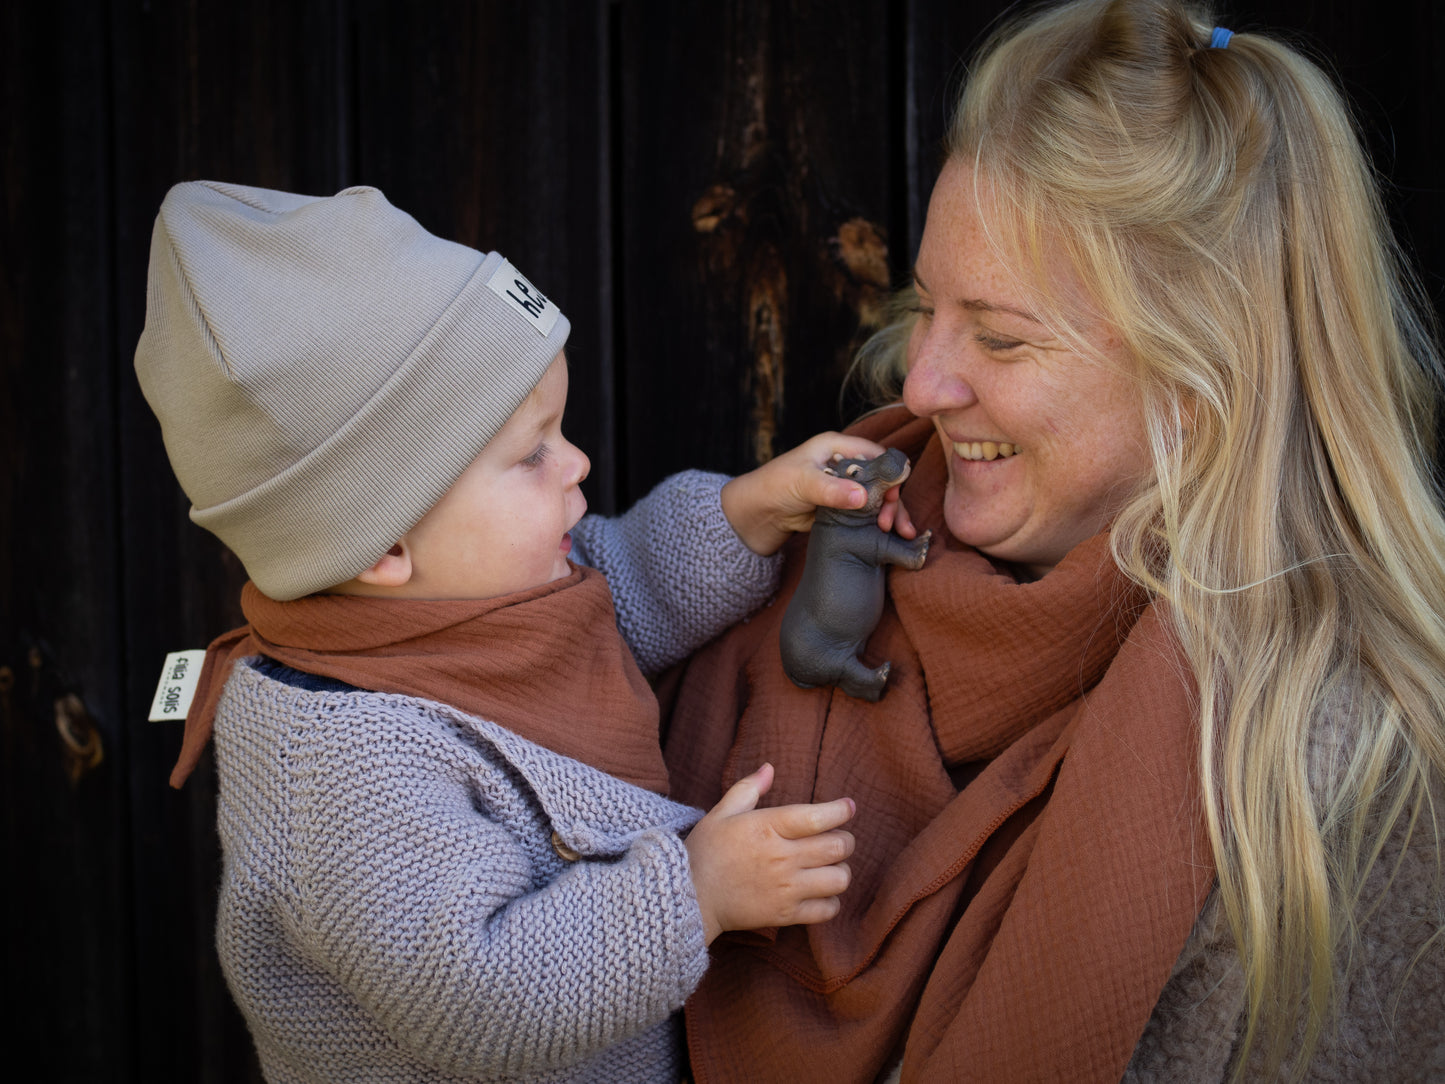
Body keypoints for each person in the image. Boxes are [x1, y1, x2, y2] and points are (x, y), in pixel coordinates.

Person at [662, 1, 1445, 1080]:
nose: (921, 381)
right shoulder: (802, 534)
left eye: (998, 335)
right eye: (926, 305)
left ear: (1197, 374)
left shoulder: (1325, 770)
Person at [132, 179, 894, 1082]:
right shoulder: (338, 771)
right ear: (384, 543)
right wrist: (696, 894)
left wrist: (753, 509)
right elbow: (484, 1000)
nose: (576, 462)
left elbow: (620, 590)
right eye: (529, 453)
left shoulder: (464, 606)